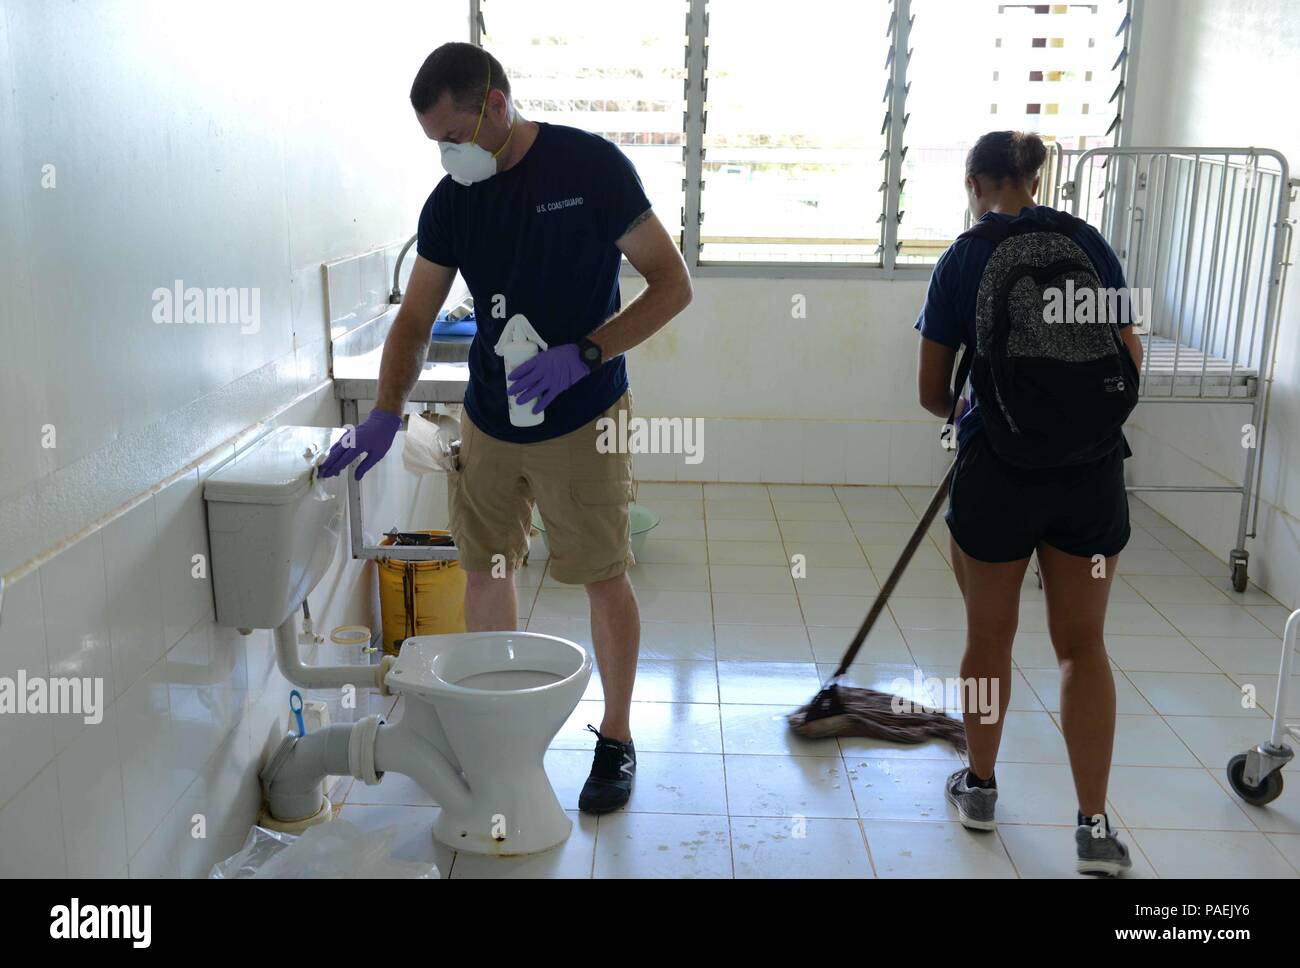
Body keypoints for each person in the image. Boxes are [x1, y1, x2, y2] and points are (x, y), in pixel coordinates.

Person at [319, 42, 692, 814]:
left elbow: (671, 284)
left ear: (497, 103)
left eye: (456, 135)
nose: (450, 153)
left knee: (600, 572)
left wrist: (584, 354)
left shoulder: (588, 168)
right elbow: (416, 318)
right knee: (487, 569)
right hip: (490, 418)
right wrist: (388, 410)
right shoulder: (453, 201)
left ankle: (616, 740)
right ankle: (498, 733)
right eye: (436, 143)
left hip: (582, 413)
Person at [914, 130, 1144, 876]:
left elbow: (930, 393)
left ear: (976, 181)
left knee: (989, 637)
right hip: (1091, 476)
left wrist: (984, 403)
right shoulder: (1090, 244)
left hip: (998, 474)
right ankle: (1094, 829)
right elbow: (1129, 358)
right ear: (1035, 180)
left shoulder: (963, 257)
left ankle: (979, 789)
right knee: (1084, 648)